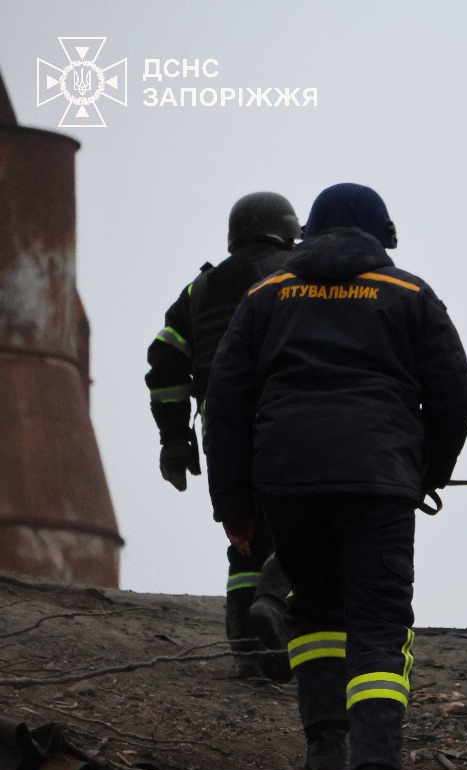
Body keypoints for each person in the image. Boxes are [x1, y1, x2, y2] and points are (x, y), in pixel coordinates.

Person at [204, 182, 467, 770]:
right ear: (383, 235)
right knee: (379, 621)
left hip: (286, 478)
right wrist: (428, 469)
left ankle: (325, 743)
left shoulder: (266, 295)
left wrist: (235, 504)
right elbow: (456, 391)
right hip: (378, 479)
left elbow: (226, 400)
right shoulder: (409, 293)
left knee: (315, 610)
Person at [144, 192, 299, 681]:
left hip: (221, 432)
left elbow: (165, 362)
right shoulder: (297, 272)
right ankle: (272, 626)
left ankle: (248, 651)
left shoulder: (200, 289)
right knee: (301, 526)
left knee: (245, 538)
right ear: (287, 229)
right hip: (286, 421)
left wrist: (173, 439)